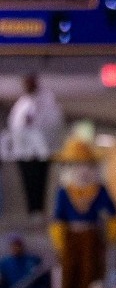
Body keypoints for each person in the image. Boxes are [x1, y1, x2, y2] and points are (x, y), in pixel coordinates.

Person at [49, 135, 116, 288]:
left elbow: (113, 212)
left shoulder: (99, 190)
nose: (82, 170)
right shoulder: (64, 192)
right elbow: (58, 218)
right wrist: (59, 240)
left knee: (91, 272)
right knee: (69, 273)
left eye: (87, 165)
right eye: (77, 165)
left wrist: (113, 233)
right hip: (71, 237)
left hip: (92, 235)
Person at [7, 74, 60, 217]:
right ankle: (32, 212)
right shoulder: (22, 104)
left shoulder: (47, 102)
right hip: (24, 152)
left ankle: (39, 211)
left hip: (41, 152)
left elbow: (52, 125)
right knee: (28, 184)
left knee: (39, 183)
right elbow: (15, 127)